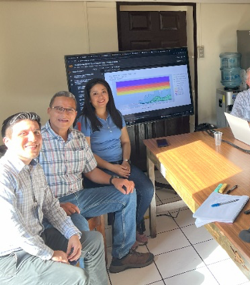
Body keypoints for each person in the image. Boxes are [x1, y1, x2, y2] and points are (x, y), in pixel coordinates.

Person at [38, 91, 154, 273]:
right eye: (59, 108)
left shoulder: (78, 138)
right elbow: (28, 186)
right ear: (49, 111)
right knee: (82, 230)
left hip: (80, 197)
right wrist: (55, 205)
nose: (64, 114)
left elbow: (91, 172)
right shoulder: (37, 141)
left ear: (75, 114)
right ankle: (86, 277)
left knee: (127, 192)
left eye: (69, 110)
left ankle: (122, 256)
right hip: (54, 203)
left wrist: (114, 180)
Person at [0, 112, 108, 284]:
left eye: (36, 132)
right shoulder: (4, 175)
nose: (33, 138)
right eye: (23, 133)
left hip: (39, 238)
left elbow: (51, 206)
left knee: (93, 241)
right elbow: (15, 229)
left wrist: (71, 234)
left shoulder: (34, 168)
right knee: (77, 277)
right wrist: (49, 254)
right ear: (8, 142)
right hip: (13, 257)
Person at [76, 78, 154, 247]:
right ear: (89, 99)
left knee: (147, 189)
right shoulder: (84, 120)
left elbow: (126, 142)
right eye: (95, 93)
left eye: (103, 91)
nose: (100, 96)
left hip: (121, 163)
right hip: (99, 168)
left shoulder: (116, 115)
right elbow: (87, 153)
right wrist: (113, 168)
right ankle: (128, 234)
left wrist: (125, 162)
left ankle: (131, 227)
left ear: (109, 94)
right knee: (127, 192)